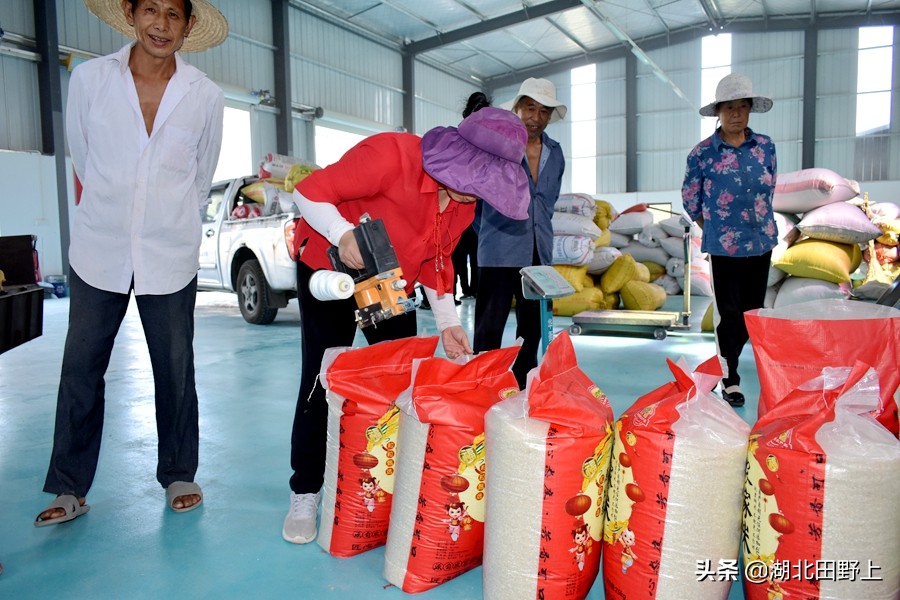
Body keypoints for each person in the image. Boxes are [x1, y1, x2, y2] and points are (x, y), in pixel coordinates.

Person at [283, 106, 530, 544]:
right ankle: (305, 489)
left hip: (386, 276)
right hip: (331, 260)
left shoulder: (464, 205)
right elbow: (309, 192)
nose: (475, 197)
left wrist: (449, 320)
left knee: (400, 373)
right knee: (323, 374)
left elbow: (437, 259)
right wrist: (342, 233)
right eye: (473, 185)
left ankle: (381, 476)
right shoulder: (391, 154)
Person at [35, 0, 227, 526]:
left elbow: (200, 172)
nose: (160, 25)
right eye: (150, 10)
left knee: (175, 368)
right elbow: (83, 154)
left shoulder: (204, 96)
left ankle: (179, 473)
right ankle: (68, 488)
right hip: (101, 250)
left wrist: (177, 228)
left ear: (188, 25)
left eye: (172, 14)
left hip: (169, 253)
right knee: (81, 368)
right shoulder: (92, 79)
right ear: (129, 14)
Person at [681, 73, 778, 407]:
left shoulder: (765, 147)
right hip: (724, 246)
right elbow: (690, 198)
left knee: (752, 315)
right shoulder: (703, 153)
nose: (736, 113)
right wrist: (715, 226)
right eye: (729, 107)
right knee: (730, 312)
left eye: (742, 106)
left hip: (761, 242)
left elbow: (771, 187)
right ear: (718, 112)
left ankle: (729, 363)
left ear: (750, 110)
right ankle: (730, 377)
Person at [473, 77, 567, 389]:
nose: (536, 118)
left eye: (544, 112)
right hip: (499, 250)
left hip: (539, 253)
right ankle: (482, 386)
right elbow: (477, 199)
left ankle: (522, 386)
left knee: (532, 328)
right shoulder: (496, 148)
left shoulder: (556, 152)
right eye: (530, 108)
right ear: (517, 108)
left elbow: (548, 200)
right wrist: (490, 233)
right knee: (489, 327)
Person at [450, 92, 492, 303]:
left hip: (476, 216)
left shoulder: (491, 145)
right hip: (464, 215)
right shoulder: (458, 142)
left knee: (467, 259)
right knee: (463, 259)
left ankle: (469, 290)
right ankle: (466, 290)